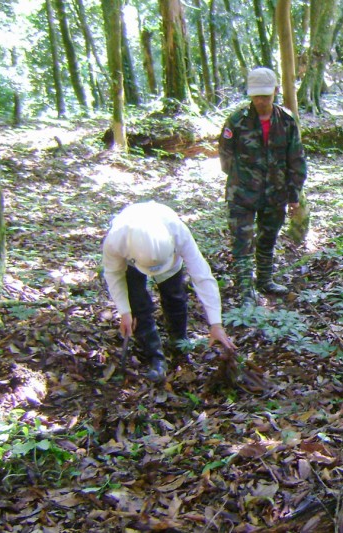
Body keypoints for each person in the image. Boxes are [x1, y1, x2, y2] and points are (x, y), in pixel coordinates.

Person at [103, 201, 234, 383]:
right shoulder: (117, 239)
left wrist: (216, 323)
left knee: (174, 296)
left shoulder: (177, 232)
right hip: (132, 263)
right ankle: (155, 357)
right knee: (138, 305)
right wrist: (124, 310)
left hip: (169, 260)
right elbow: (113, 273)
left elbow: (202, 275)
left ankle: (179, 343)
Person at [219, 67, 308, 306]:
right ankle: (246, 291)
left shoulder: (287, 121)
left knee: (268, 237)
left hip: (275, 194)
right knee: (242, 242)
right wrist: (244, 178)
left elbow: (296, 159)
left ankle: (265, 280)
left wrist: (293, 193)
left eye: (265, 96)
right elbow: (225, 157)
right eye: (256, 96)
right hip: (242, 193)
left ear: (275, 92)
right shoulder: (237, 121)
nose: (260, 101)